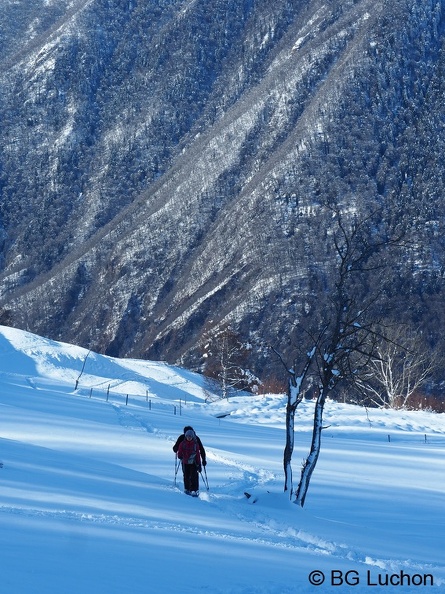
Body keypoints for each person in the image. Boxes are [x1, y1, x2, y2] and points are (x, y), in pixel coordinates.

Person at [176, 428, 205, 495]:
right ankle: (187, 489)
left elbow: (198, 454)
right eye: (188, 436)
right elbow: (179, 450)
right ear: (186, 436)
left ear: (192, 436)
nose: (189, 438)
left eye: (190, 436)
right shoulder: (182, 443)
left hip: (193, 462)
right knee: (186, 475)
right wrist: (179, 455)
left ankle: (194, 490)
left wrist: (199, 464)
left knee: (193, 475)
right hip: (185, 462)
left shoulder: (195, 444)